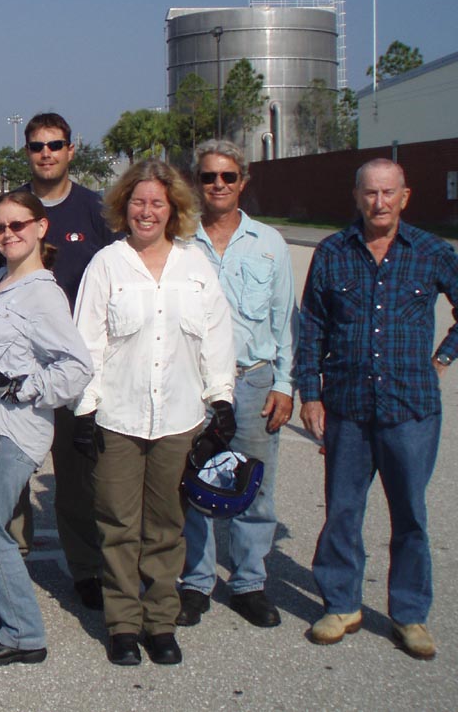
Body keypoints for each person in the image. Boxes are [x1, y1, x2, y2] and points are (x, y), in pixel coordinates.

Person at [73, 159, 235, 666]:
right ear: (124, 207)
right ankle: (123, 624)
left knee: (167, 525)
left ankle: (160, 620)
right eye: (138, 202)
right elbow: (88, 342)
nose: (147, 212)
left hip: (180, 419)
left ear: (174, 209)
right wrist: (84, 410)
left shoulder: (195, 265)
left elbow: (216, 337)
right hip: (117, 418)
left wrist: (222, 400)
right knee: (118, 523)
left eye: (157, 203)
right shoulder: (107, 264)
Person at [296, 159, 458, 660]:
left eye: (389, 193)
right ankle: (341, 604)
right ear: (357, 196)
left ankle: (409, 614)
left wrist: (443, 357)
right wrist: (310, 393)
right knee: (343, 512)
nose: (379, 202)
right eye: (370, 193)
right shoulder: (332, 252)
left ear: (405, 197)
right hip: (347, 408)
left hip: (411, 409)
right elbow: (312, 327)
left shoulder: (432, 252)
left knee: (409, 515)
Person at [0, 191, 93, 665]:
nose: (7, 235)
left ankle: (24, 632)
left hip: (13, 428)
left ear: (41, 228)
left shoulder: (43, 294)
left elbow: (77, 368)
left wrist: (24, 386)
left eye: (17, 225)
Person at [0, 111, 114, 607]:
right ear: (27, 152)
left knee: (76, 478)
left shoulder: (95, 210)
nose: (46, 153)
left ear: (71, 149)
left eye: (55, 144)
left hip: (71, 369)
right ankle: (9, 565)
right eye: (37, 146)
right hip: (14, 371)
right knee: (9, 479)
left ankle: (86, 569)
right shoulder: (8, 211)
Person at [177, 140, 297, 629]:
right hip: (195, 382)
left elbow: (284, 319)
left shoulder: (269, 243)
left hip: (253, 380)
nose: (218, 185)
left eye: (228, 176)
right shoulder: (181, 242)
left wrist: (284, 383)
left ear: (243, 181)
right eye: (209, 176)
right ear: (197, 182)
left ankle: (249, 583)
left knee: (254, 484)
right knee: (194, 482)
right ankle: (196, 581)